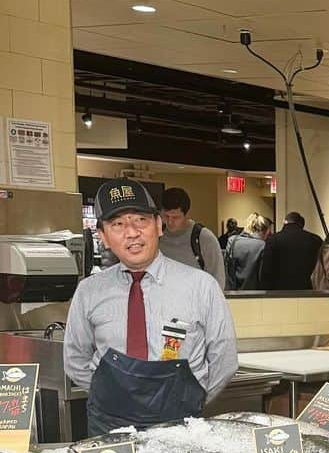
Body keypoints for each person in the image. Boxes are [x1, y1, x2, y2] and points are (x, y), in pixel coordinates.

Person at [64, 180, 237, 436]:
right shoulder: (89, 291)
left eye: (140, 221)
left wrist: (190, 401)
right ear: (103, 236)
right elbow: (75, 360)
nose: (131, 233)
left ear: (158, 225)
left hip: (181, 427)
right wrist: (114, 399)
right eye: (118, 224)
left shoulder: (201, 286)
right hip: (109, 427)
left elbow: (224, 359)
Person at [158, 187, 226, 290]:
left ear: (186, 215)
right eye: (166, 216)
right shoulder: (156, 237)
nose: (170, 222)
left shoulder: (204, 239)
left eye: (176, 217)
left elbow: (218, 281)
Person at [259, 211, 322, 290]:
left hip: (279, 293)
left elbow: (266, 272)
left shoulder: (273, 240)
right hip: (307, 292)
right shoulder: (315, 240)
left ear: (285, 222)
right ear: (301, 224)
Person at [225, 213, 271, 289]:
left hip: (233, 293)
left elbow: (227, 269)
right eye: (267, 234)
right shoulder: (262, 246)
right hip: (255, 294)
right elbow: (263, 276)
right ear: (262, 231)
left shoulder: (232, 241)